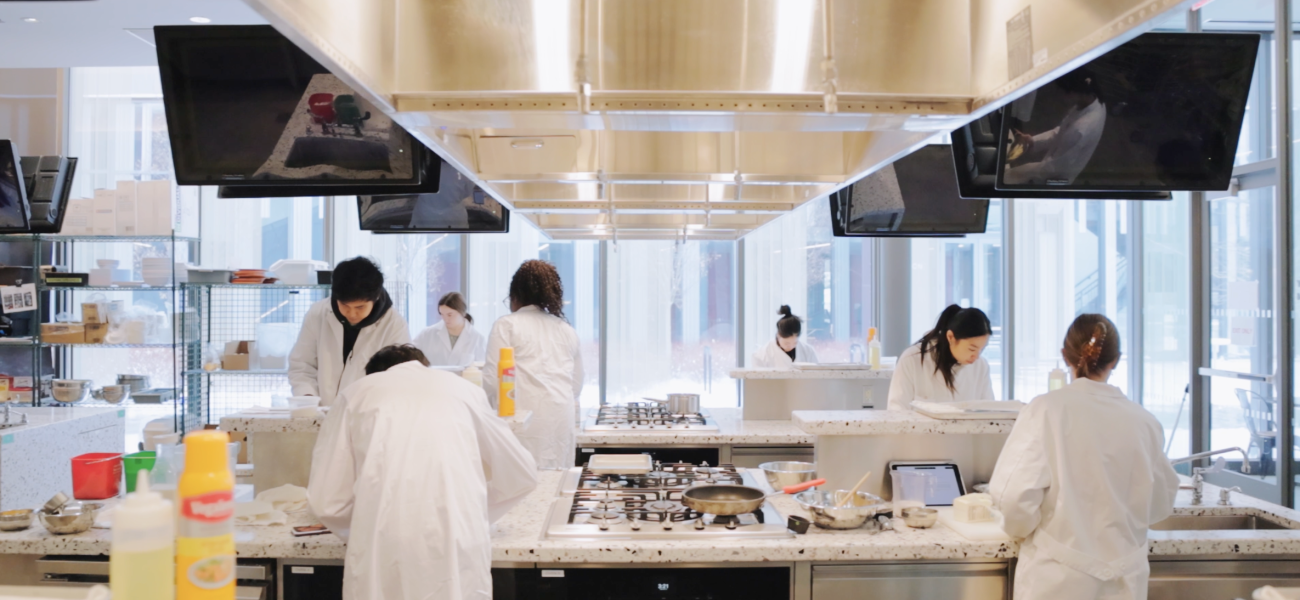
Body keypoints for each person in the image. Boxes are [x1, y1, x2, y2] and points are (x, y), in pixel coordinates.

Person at [308, 344, 538, 600]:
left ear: (374, 375)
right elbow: (522, 474)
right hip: (458, 533)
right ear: (424, 366)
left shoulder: (356, 395)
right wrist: (472, 508)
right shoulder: (465, 391)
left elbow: (327, 502)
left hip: (383, 538)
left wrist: (366, 523)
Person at [988, 314, 1179, 600]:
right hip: (1125, 581)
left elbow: (1013, 498)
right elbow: (1160, 502)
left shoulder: (1046, 410)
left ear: (1065, 356)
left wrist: (1019, 528)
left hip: (1058, 579)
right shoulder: (1144, 421)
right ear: (1116, 360)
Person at [483, 260, 584, 470]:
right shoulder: (566, 329)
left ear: (515, 295)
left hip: (521, 424)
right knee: (557, 493)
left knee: (522, 495)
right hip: (559, 424)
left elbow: (493, 381)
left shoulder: (506, 325)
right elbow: (576, 386)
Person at [288, 257, 410, 408]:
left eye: (360, 307)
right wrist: (307, 398)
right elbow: (301, 365)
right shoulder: (318, 314)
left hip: (368, 416)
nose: (351, 313)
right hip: (321, 414)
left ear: (376, 298)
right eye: (344, 305)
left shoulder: (393, 325)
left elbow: (397, 377)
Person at [1003, 68, 1106, 186]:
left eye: (1062, 92)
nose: (1060, 96)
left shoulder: (1082, 128)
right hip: (1055, 167)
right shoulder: (1093, 101)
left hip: (1055, 177)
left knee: (1010, 178)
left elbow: (1052, 168)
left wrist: (1015, 173)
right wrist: (1032, 141)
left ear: (1073, 92)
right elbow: (1061, 132)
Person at [886, 305, 994, 410]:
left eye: (981, 349)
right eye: (972, 349)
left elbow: (989, 413)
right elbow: (897, 411)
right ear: (950, 337)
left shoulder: (981, 366)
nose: (976, 356)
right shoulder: (912, 360)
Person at [412, 291, 487, 367]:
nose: (445, 319)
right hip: (434, 378)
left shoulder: (477, 339)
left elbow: (482, 368)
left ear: (462, 313)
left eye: (449, 315)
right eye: (442, 314)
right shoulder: (426, 334)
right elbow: (409, 357)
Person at [750, 305, 820, 369]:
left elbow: (816, 375)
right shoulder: (762, 355)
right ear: (778, 335)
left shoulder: (808, 351)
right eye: (787, 343)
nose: (791, 346)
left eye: (795, 343)